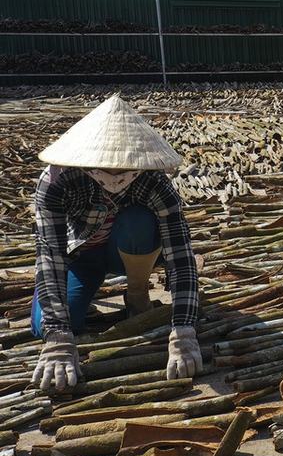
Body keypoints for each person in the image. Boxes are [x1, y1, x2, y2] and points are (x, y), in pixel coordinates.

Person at [30, 95, 202, 394]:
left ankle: (136, 293)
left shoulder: (154, 183)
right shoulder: (58, 180)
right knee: (46, 325)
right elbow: (50, 254)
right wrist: (58, 336)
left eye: (122, 169)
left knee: (138, 220)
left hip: (131, 251)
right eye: (105, 168)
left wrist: (184, 329)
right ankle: (72, 306)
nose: (114, 176)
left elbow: (180, 254)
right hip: (82, 255)